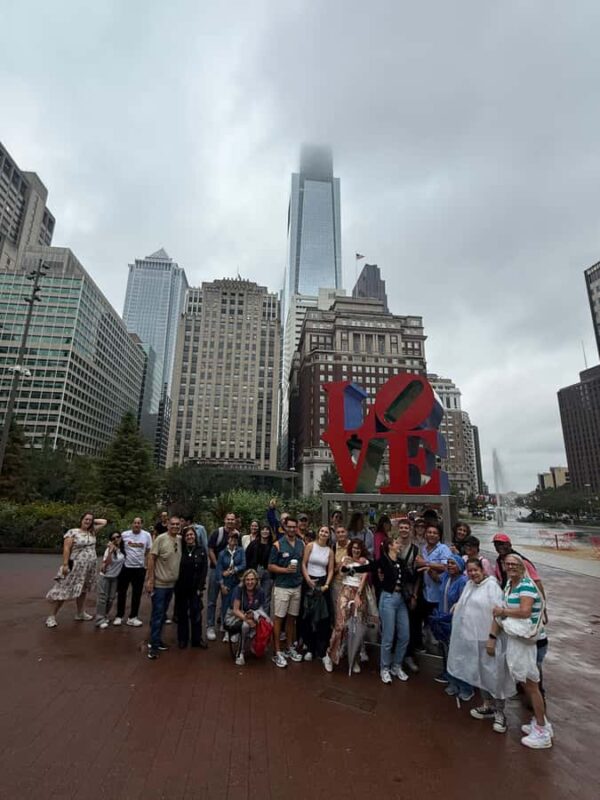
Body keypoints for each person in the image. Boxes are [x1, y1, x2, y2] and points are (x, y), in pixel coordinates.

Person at [488, 554, 553, 749]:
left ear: (522, 567)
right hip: (519, 639)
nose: (510, 567)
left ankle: (542, 731)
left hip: (527, 641)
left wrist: (502, 612)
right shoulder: (510, 584)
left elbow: (525, 610)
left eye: (514, 564)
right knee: (528, 683)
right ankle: (542, 723)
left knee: (531, 685)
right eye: (508, 564)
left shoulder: (525, 585)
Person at [447, 557, 515, 735]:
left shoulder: (492, 586)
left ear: (483, 570)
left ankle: (500, 712)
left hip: (489, 639)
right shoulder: (470, 585)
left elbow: (498, 613)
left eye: (475, 570)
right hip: (473, 638)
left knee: (495, 674)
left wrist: (492, 638)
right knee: (482, 672)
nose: (472, 574)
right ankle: (487, 706)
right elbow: (465, 603)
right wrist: (457, 606)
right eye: (469, 571)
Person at [346, 531, 411, 684]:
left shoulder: (401, 562)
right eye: (396, 543)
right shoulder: (383, 561)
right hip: (388, 599)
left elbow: (409, 576)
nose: (399, 545)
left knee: (405, 635)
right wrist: (351, 569)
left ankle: (397, 664)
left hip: (400, 599)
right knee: (388, 636)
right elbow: (369, 567)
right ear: (390, 546)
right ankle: (385, 668)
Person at [45, 512, 107, 628]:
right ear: (81, 519)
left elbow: (104, 522)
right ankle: (51, 616)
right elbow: (66, 548)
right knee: (64, 589)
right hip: (75, 565)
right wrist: (65, 564)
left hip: (88, 567)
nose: (87, 521)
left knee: (83, 590)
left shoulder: (92, 532)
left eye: (90, 520)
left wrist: (92, 521)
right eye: (85, 519)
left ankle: (80, 613)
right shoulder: (73, 532)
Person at [323, 538, 370, 674]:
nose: (356, 550)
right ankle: (330, 656)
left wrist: (358, 595)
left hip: (359, 593)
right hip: (345, 591)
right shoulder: (346, 558)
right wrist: (345, 563)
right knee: (340, 626)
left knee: (357, 628)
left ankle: (354, 659)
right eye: (354, 548)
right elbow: (342, 574)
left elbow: (363, 580)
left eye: (358, 548)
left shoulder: (365, 562)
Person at [430, 554, 470, 696]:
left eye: (453, 563)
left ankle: (464, 686)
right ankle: (452, 680)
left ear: (460, 565)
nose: (450, 566)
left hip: (456, 623)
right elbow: (436, 578)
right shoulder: (446, 577)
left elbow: (465, 603)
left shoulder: (463, 581)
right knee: (447, 651)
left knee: (458, 654)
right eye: (448, 563)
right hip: (443, 620)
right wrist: (428, 567)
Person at [268, 516, 305, 668]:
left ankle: (289, 647)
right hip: (282, 587)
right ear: (284, 528)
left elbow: (304, 563)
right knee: (279, 619)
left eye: (294, 527)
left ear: (297, 528)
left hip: (296, 586)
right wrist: (285, 570)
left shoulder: (301, 544)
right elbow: (270, 566)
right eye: (289, 527)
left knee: (292, 619)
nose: (291, 529)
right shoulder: (277, 545)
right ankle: (277, 652)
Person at [146, 516, 182, 660]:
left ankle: (157, 640)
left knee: (162, 615)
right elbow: (151, 558)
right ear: (167, 525)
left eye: (177, 524)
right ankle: (153, 647)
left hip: (172, 585)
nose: (174, 526)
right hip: (160, 584)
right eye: (172, 524)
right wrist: (150, 579)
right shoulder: (160, 539)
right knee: (157, 614)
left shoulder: (180, 539)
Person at [301, 525, 334, 662]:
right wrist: (307, 579)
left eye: (326, 532)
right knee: (307, 615)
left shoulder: (330, 551)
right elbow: (303, 563)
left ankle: (321, 649)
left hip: (322, 584)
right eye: (322, 531)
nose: (324, 533)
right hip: (309, 581)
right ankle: (309, 647)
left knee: (323, 617)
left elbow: (331, 569)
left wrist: (327, 584)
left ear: (329, 535)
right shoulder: (310, 546)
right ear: (318, 532)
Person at [114, 516, 152, 627]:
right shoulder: (125, 534)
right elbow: (118, 546)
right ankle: (119, 616)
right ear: (132, 524)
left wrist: (144, 562)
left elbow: (149, 550)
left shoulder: (146, 535)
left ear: (142, 524)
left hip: (139, 569)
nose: (136, 525)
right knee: (122, 592)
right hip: (125, 567)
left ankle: (133, 617)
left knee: (137, 594)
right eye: (135, 522)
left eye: (139, 523)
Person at [175, 525, 208, 648]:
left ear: (195, 536)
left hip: (196, 588)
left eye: (192, 534)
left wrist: (200, 587)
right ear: (184, 537)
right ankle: (182, 639)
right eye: (187, 535)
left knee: (196, 613)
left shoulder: (201, 550)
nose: (190, 537)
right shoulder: (180, 550)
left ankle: (197, 639)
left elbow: (204, 569)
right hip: (181, 587)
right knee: (182, 613)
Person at [206, 512, 238, 641]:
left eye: (232, 519)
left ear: (235, 521)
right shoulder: (217, 533)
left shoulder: (237, 534)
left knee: (227, 601)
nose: (230, 521)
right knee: (212, 600)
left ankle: (225, 626)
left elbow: (238, 550)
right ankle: (210, 626)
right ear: (224, 520)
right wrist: (218, 566)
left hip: (229, 573)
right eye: (228, 519)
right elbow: (210, 549)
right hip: (215, 571)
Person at [396, 517, 421, 673]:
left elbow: (418, 574)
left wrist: (415, 595)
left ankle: (408, 655)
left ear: (410, 529)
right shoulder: (392, 546)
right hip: (393, 590)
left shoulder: (416, 549)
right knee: (392, 625)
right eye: (402, 527)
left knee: (409, 625)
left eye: (407, 528)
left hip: (409, 591)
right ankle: (394, 656)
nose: (404, 530)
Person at [230, 569, 269, 666]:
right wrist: (247, 619)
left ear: (256, 580)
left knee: (267, 623)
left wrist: (255, 616)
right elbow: (235, 610)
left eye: (252, 579)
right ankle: (241, 652)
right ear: (244, 580)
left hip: (254, 615)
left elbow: (262, 608)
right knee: (245, 626)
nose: (250, 582)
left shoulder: (260, 591)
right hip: (238, 616)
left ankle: (254, 643)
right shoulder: (239, 590)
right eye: (247, 580)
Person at [415, 522, 452, 621]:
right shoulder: (423, 549)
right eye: (429, 532)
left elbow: (446, 566)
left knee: (438, 624)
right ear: (425, 534)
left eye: (435, 533)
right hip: (426, 594)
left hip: (439, 595)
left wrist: (426, 563)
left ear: (439, 536)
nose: (431, 535)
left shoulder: (443, 549)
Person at [215, 531, 246, 641]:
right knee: (225, 606)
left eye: (235, 538)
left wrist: (233, 570)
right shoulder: (222, 553)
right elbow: (219, 570)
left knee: (236, 606)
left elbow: (243, 564)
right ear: (227, 539)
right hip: (227, 583)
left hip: (237, 582)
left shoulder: (241, 551)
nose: (233, 540)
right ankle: (227, 631)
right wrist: (222, 585)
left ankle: (235, 631)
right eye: (231, 538)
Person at [95, 531, 125, 628]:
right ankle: (99, 619)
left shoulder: (123, 549)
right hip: (106, 577)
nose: (116, 539)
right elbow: (106, 563)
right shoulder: (109, 550)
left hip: (115, 577)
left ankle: (105, 615)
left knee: (111, 598)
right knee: (103, 598)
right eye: (113, 538)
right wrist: (111, 551)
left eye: (118, 537)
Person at [245, 523, 274, 615]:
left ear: (270, 532)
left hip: (268, 572)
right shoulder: (254, 543)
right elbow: (246, 557)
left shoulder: (273, 545)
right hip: (255, 571)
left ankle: (265, 621)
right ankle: (252, 620)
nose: (265, 531)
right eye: (263, 529)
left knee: (266, 597)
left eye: (267, 530)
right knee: (253, 596)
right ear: (260, 531)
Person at [330, 524, 349, 611]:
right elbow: (330, 570)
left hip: (350, 583)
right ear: (335, 535)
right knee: (337, 609)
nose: (340, 534)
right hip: (337, 583)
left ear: (346, 533)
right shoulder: (333, 548)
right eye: (338, 532)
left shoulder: (353, 546)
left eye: (342, 532)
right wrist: (340, 565)